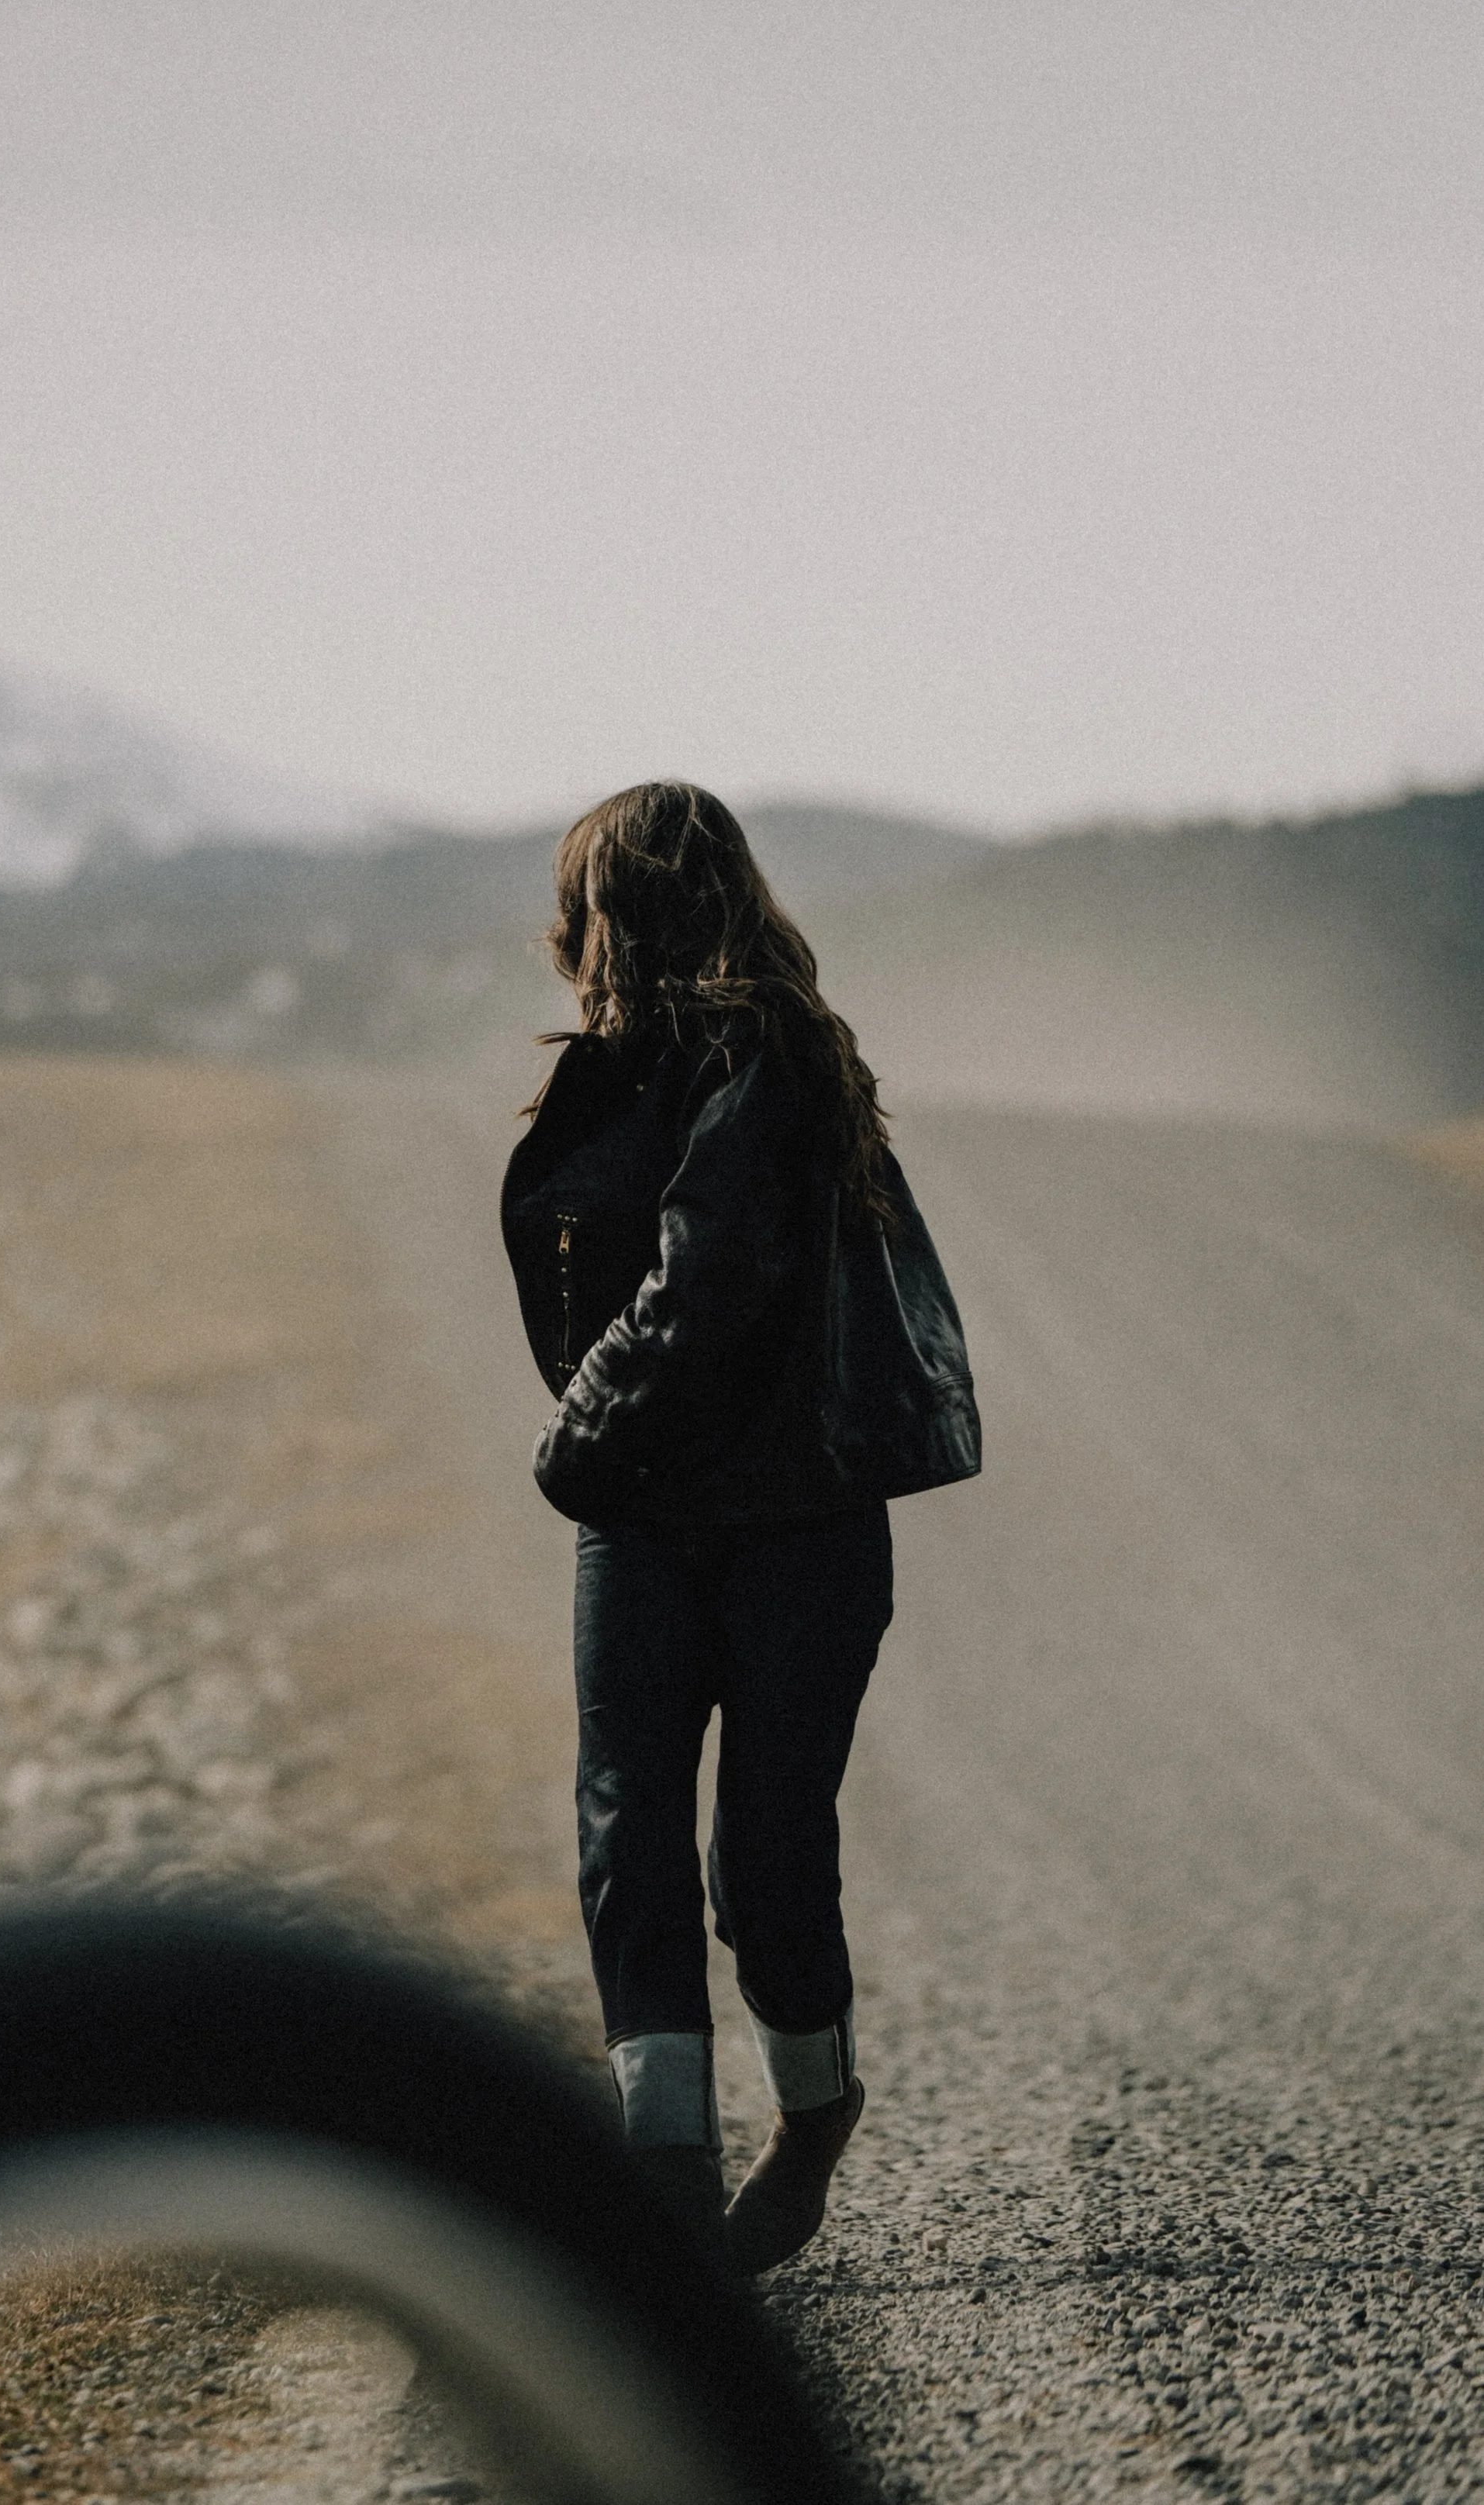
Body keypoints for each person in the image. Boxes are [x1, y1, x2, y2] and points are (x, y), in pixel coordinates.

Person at [501, 782, 979, 2273]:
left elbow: (704, 1280)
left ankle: (816, 2110)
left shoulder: (770, 1051)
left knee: (761, 1862)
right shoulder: (614, 1063)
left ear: (627, 904)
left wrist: (576, 1437)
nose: (565, 930)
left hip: (794, 1526)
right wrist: (603, 1451)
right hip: (645, 1519)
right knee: (627, 1839)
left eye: (582, 899)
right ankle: (666, 2176)